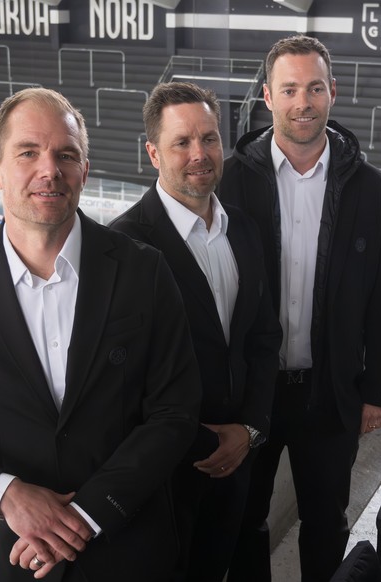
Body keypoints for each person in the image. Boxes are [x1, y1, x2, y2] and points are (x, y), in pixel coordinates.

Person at [0, 87, 202, 582]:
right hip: (14, 561)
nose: (49, 169)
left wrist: (87, 514)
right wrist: (5, 495)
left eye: (66, 155)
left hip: (131, 551)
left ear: (84, 171)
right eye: (28, 152)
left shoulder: (143, 271)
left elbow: (175, 412)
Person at [218, 35, 381, 581]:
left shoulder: (370, 188)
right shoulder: (231, 181)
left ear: (332, 93)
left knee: (327, 521)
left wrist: (378, 391)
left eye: (315, 88)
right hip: (252, 394)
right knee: (245, 520)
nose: (304, 102)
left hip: (330, 394)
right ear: (269, 98)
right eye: (290, 89)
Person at [110, 82, 281, 582]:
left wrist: (248, 430)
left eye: (209, 139)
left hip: (237, 460)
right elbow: (125, 383)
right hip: (166, 477)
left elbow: (263, 340)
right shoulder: (124, 246)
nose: (199, 154)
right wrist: (204, 444)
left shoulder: (243, 230)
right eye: (182, 142)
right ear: (153, 153)